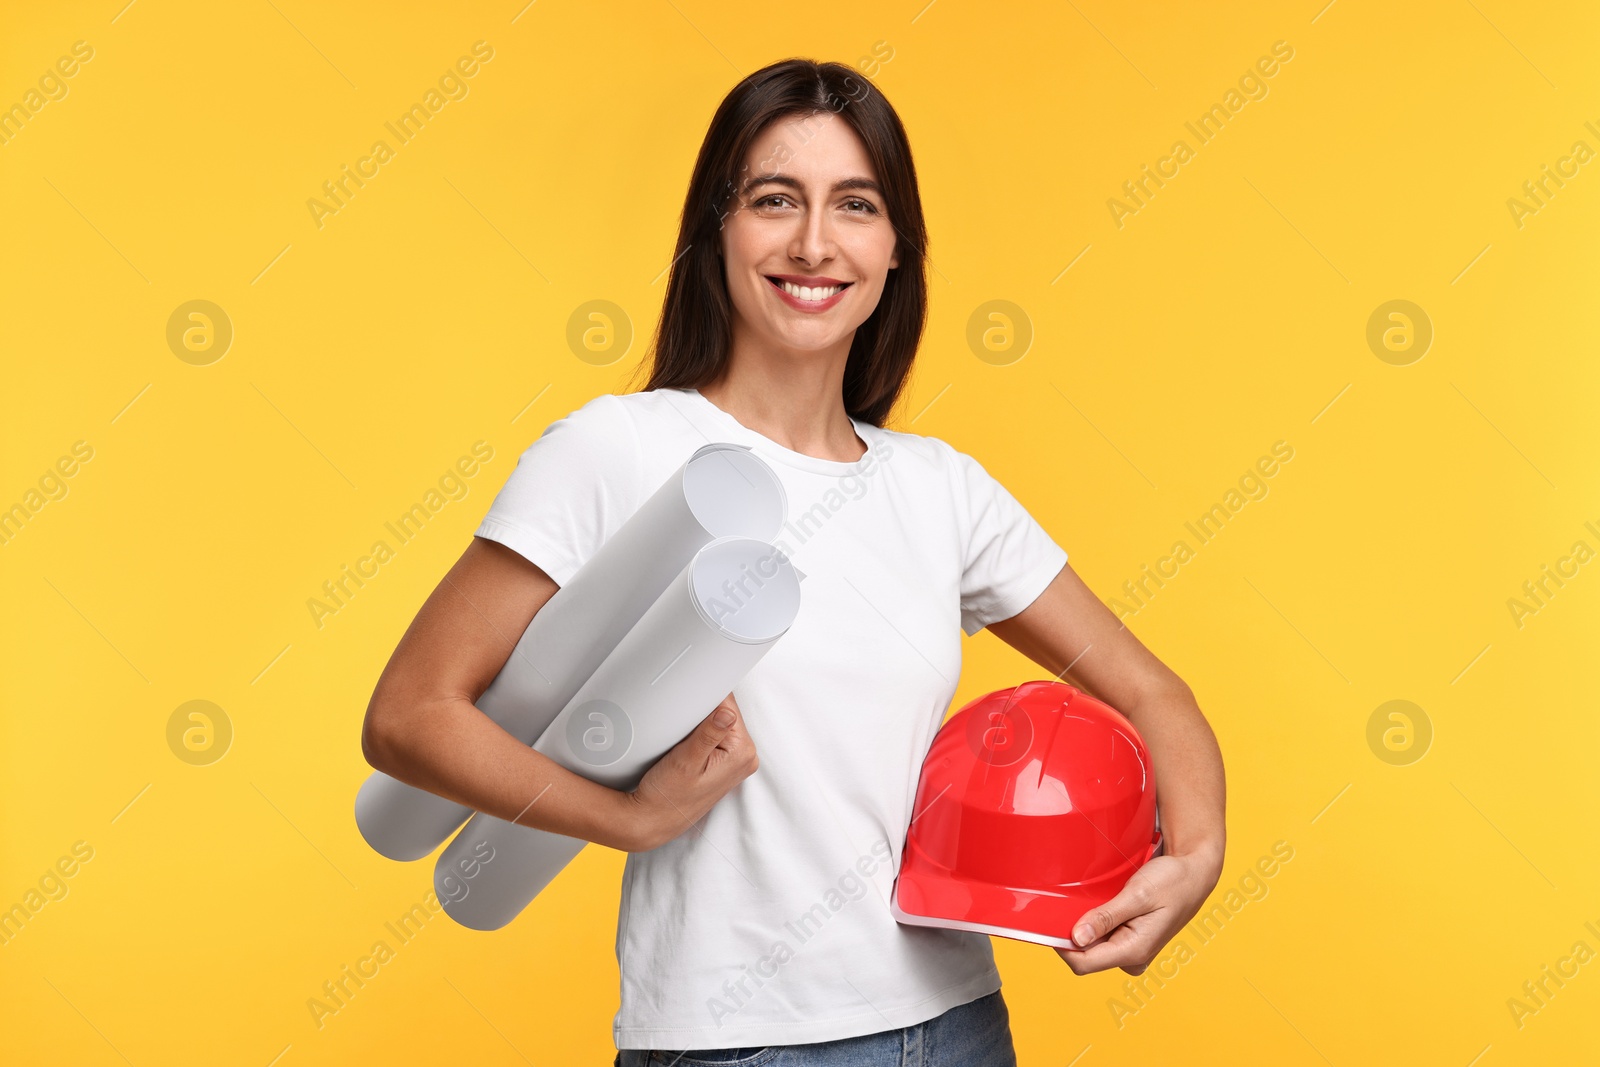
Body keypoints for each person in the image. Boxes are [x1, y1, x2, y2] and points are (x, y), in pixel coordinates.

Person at [361, 58, 1225, 1066]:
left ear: (896, 248)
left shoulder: (937, 486)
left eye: (854, 205)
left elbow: (1156, 695)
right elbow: (410, 714)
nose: (814, 243)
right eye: (775, 200)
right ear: (716, 229)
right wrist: (628, 818)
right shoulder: (620, 450)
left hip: (957, 1026)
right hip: (738, 1044)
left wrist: (1194, 859)